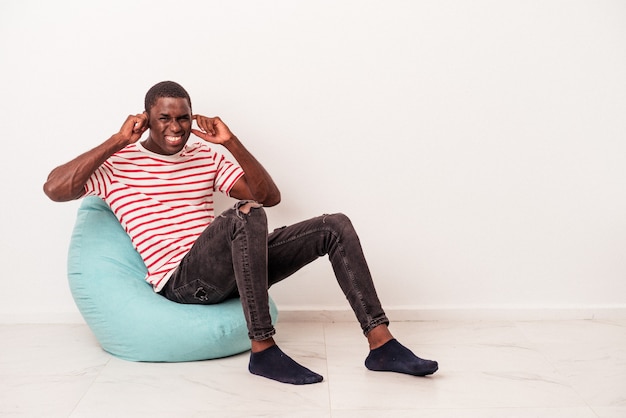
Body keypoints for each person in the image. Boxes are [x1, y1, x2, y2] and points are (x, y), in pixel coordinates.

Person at [43, 81, 438, 385]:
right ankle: (263, 349)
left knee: (333, 224)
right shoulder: (120, 163)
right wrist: (116, 140)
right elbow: (54, 189)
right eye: (165, 118)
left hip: (229, 269)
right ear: (146, 119)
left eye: (183, 118)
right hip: (182, 281)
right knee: (242, 216)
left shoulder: (206, 155)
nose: (176, 127)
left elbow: (269, 196)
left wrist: (230, 142)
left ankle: (381, 345)